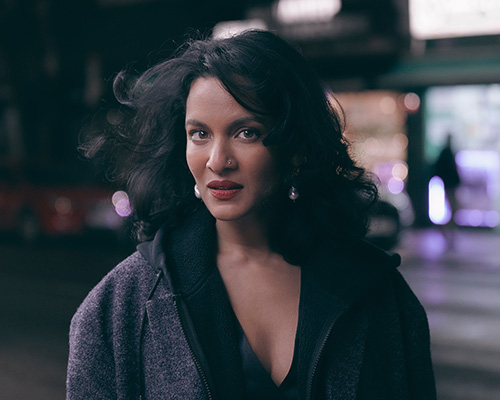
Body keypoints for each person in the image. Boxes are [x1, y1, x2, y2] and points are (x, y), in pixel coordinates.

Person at [66, 30, 436, 399]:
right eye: (199, 134)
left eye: (246, 132)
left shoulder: (378, 293)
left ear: (296, 147)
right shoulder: (117, 307)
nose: (217, 161)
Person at [434, 133, 461, 248]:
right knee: (453, 209)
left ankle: (447, 230)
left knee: (453, 209)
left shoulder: (448, 152)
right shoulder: (446, 152)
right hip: (449, 185)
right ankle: (446, 229)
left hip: (450, 184)